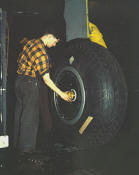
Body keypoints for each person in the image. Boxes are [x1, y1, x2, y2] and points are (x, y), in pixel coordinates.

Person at [13, 29, 72, 158]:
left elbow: (19, 61)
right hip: (29, 83)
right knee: (30, 116)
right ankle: (26, 150)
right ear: (50, 37)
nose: (54, 45)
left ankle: (16, 144)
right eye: (55, 42)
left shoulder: (30, 43)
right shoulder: (41, 53)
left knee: (20, 113)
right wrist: (61, 94)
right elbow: (46, 80)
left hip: (18, 81)